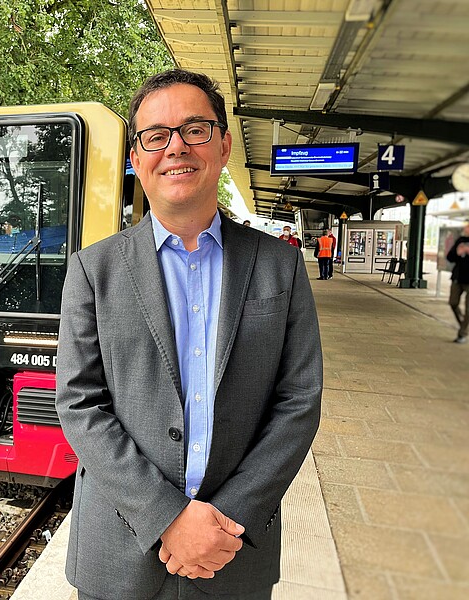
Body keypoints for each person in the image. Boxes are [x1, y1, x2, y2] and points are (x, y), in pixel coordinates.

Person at [56, 69, 323, 600]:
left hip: (233, 550)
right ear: (137, 159)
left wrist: (227, 517)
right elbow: (80, 404)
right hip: (120, 553)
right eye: (155, 136)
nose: (175, 147)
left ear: (223, 145)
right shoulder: (94, 270)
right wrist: (167, 517)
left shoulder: (280, 267)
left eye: (194, 129)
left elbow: (298, 402)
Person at [447, 222, 469, 344]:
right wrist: (457, 253)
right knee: (453, 302)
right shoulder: (460, 240)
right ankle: (463, 325)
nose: (465, 228)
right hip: (458, 278)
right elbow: (450, 257)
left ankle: (463, 333)